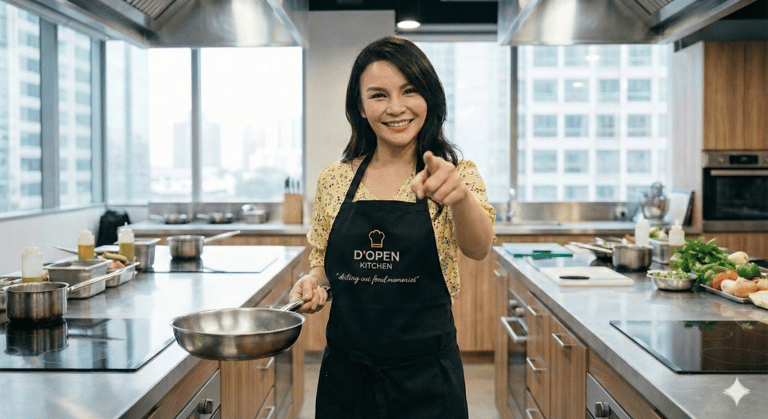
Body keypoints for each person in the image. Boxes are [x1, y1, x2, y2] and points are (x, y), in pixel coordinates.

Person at [289, 35, 496, 419]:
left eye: (409, 90)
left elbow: (479, 247)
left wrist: (459, 197)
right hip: (347, 380)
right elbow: (323, 268)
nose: (396, 107)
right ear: (361, 107)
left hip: (428, 381)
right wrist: (313, 285)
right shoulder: (334, 179)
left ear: (429, 97)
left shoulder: (454, 174)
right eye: (379, 95)